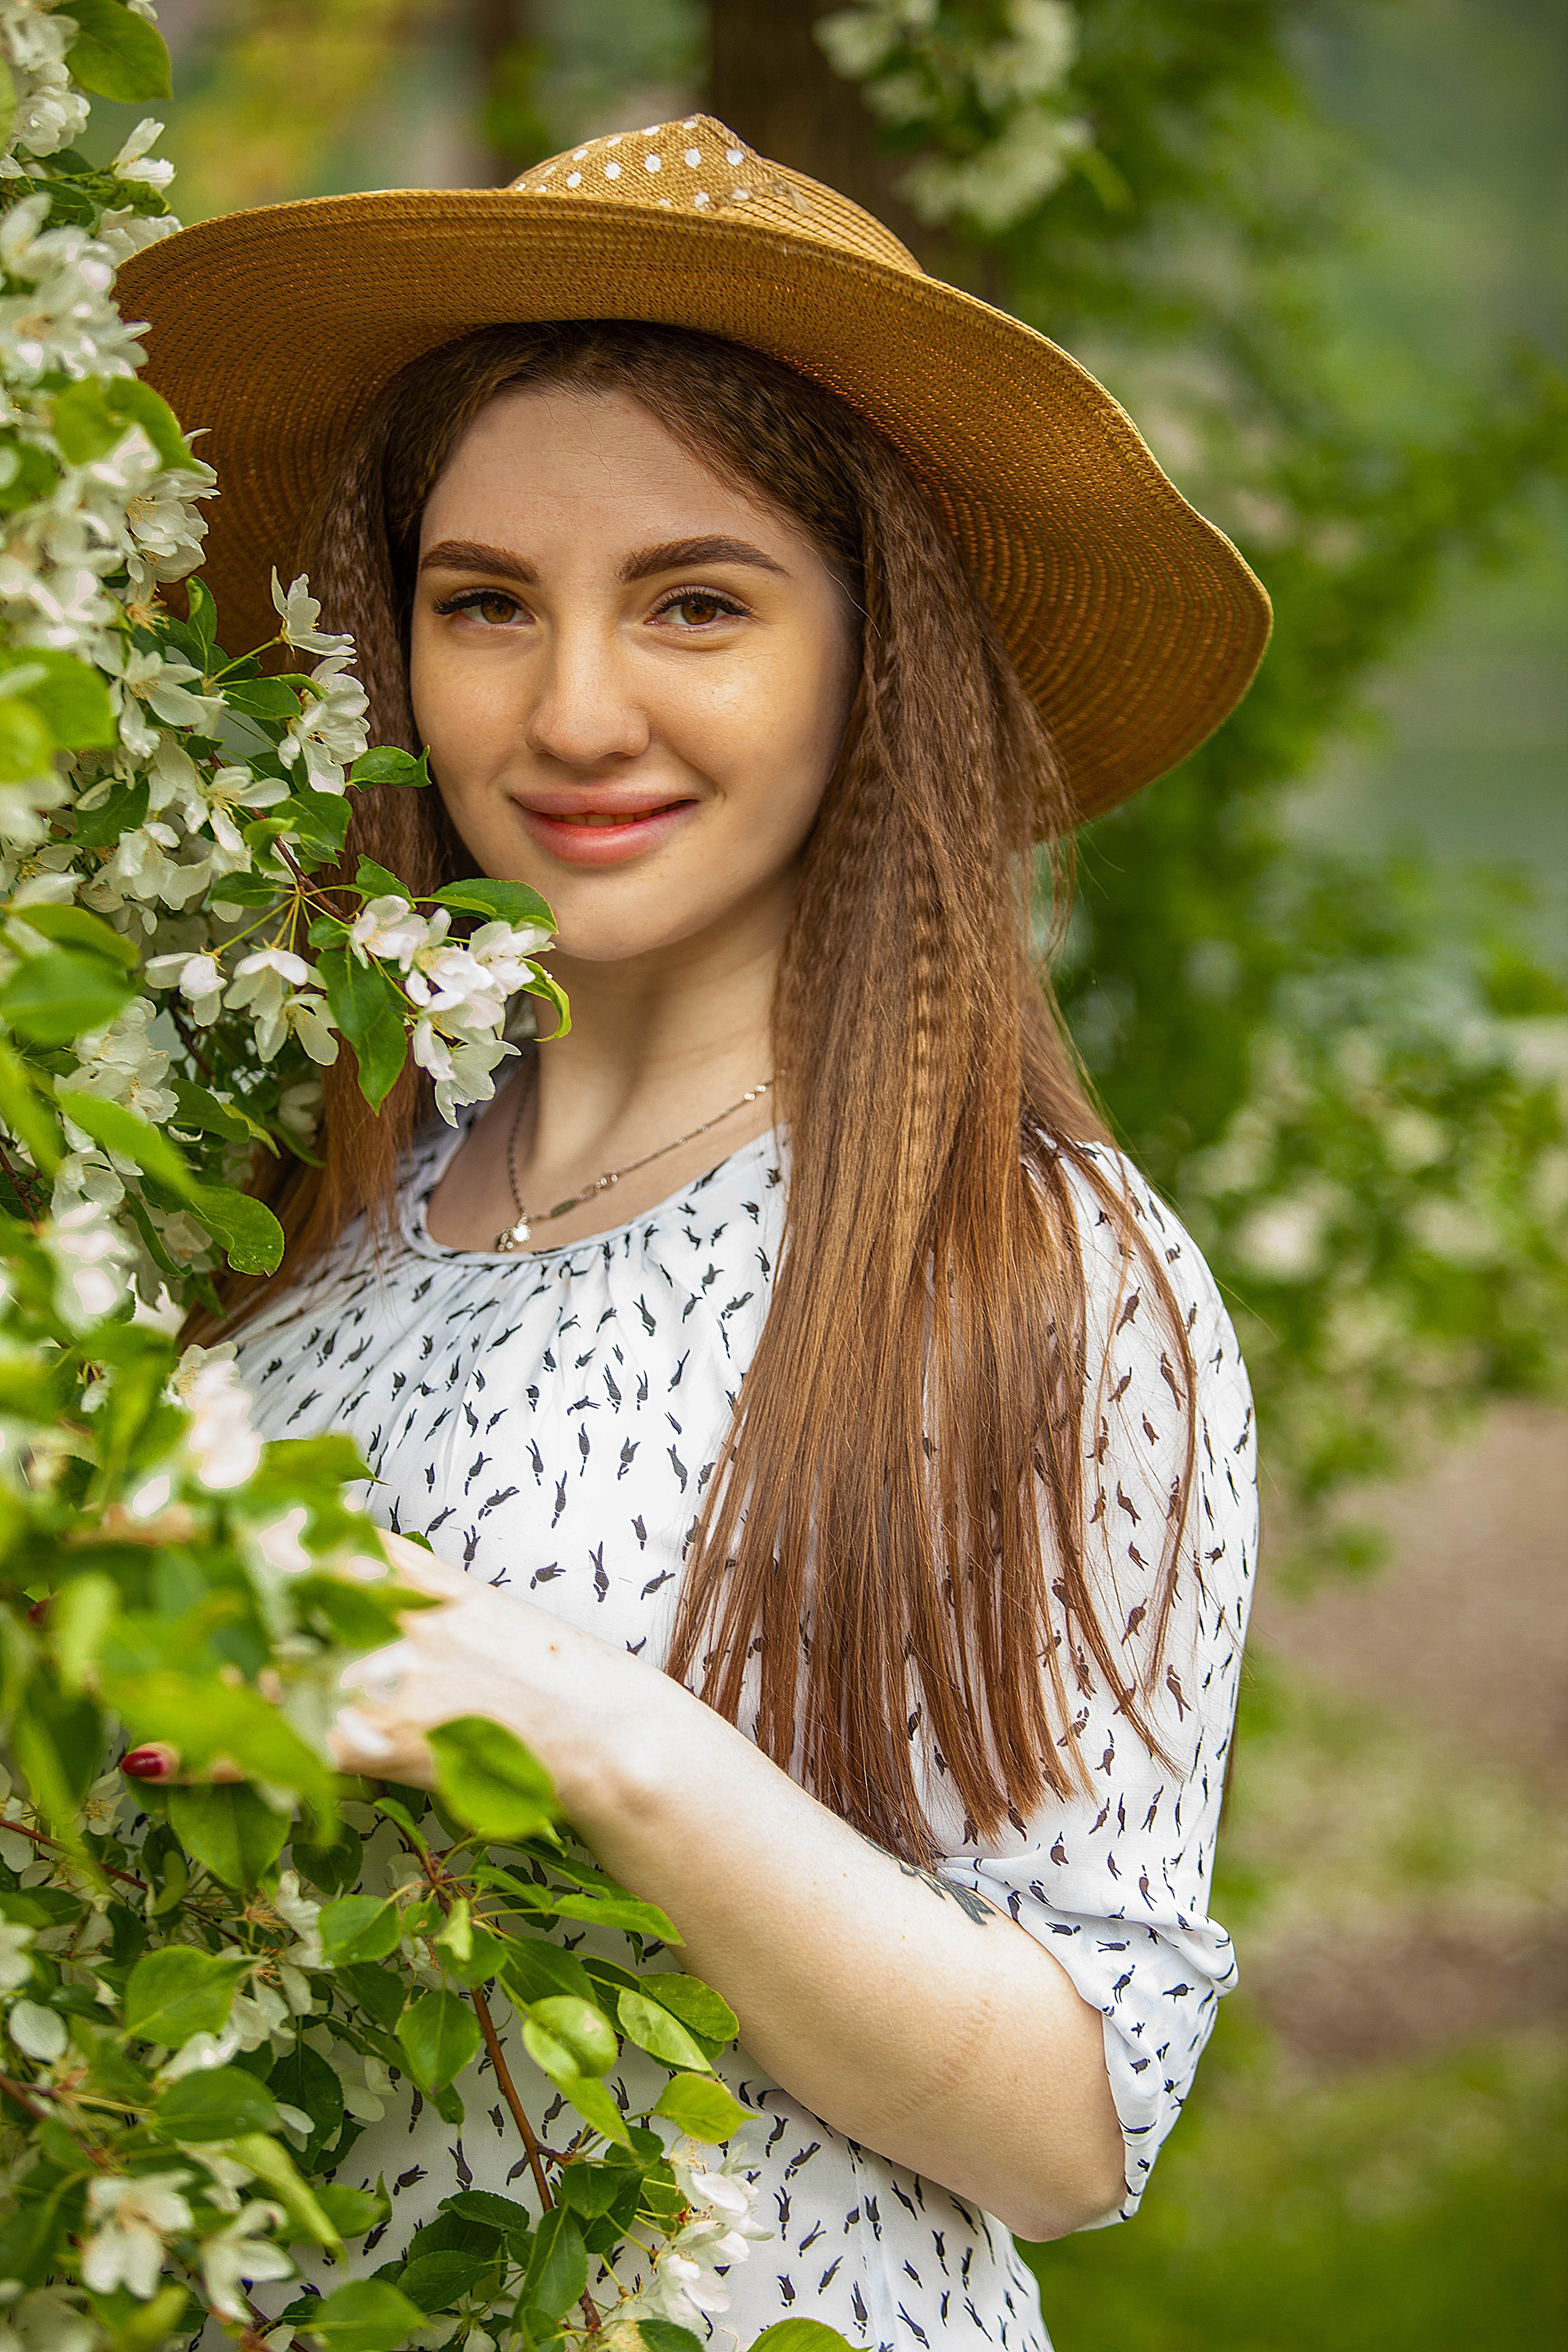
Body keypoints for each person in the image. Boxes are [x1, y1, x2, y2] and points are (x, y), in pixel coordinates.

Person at [123, 115, 1267, 2350]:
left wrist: (591, 1733)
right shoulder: (277, 1206)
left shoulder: (1025, 1271)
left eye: (697, 602)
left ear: (871, 660)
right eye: (485, 603)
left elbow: (1069, 2124)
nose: (569, 712)